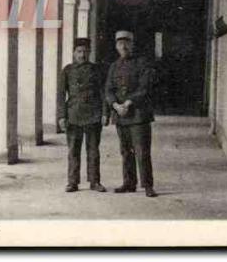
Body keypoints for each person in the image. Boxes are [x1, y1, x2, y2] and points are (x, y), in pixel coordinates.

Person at [105, 30, 158, 197]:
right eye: (120, 44)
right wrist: (115, 105)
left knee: (142, 151)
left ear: (132, 45)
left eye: (127, 43)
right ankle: (129, 183)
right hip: (121, 115)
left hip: (138, 115)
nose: (124, 46)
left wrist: (128, 102)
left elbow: (145, 88)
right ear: (116, 47)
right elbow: (108, 89)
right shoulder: (114, 66)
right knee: (125, 151)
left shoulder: (142, 64)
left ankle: (148, 185)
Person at [57, 37, 109, 193]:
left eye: (86, 52)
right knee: (73, 150)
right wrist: (61, 116)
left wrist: (105, 113)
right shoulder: (67, 70)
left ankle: (95, 181)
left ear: (90, 52)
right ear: (74, 53)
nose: (82, 55)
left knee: (93, 150)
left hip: (93, 114)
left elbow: (103, 92)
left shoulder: (97, 70)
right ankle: (72, 182)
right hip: (73, 114)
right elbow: (61, 95)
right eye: (79, 51)